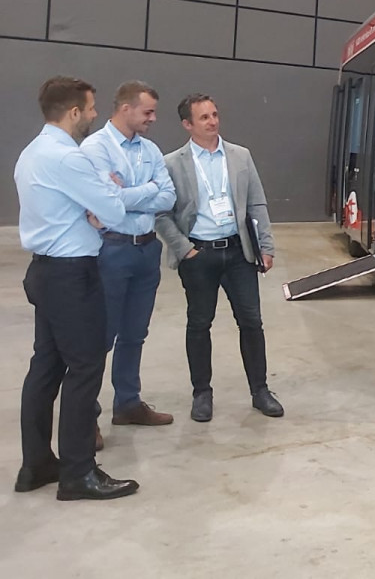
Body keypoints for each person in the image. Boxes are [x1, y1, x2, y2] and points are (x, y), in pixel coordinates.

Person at [14, 76, 139, 501]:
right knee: (85, 369)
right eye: (89, 109)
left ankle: (36, 464)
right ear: (72, 113)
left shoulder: (32, 153)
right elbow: (114, 209)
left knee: (46, 368)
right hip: (72, 276)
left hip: (45, 273)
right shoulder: (68, 158)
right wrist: (106, 198)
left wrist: (98, 204)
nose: (92, 115)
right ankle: (78, 473)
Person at [155, 94, 284, 421]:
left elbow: (257, 203)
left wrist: (265, 247)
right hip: (199, 255)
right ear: (187, 124)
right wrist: (185, 250)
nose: (212, 121)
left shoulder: (241, 156)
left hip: (238, 252)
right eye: (204, 117)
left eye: (214, 114)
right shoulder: (172, 163)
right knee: (199, 323)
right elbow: (161, 214)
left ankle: (260, 390)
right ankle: (202, 393)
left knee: (251, 322)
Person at [80, 81, 176, 429]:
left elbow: (167, 197)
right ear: (125, 108)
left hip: (148, 250)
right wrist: (145, 191)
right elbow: (108, 202)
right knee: (101, 335)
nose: (153, 118)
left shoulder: (150, 150)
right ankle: (85, 417)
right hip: (111, 251)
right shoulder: (96, 149)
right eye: (147, 111)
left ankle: (128, 404)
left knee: (135, 332)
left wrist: (131, 193)